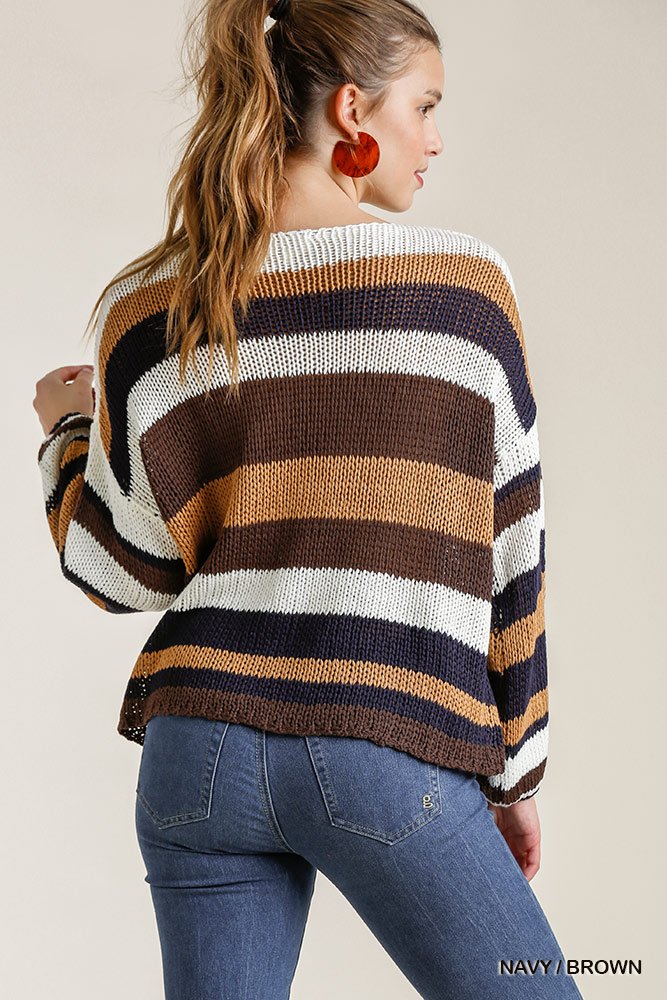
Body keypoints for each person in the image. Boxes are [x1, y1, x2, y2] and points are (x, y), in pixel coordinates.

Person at [33, 1, 584, 997]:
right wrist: (515, 775)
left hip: (196, 753)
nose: (435, 137)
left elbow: (120, 572)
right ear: (351, 111)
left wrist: (66, 438)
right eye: (425, 105)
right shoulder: (463, 295)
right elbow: (512, 555)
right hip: (384, 740)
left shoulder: (148, 310)